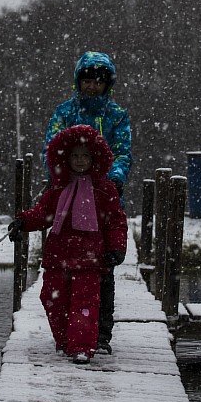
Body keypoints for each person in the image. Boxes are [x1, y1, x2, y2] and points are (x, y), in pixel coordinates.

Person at [8, 125, 127, 364]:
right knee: (52, 298)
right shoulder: (59, 187)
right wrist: (23, 222)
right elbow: (44, 213)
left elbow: (116, 221)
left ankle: (82, 346)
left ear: (94, 158)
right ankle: (64, 340)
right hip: (58, 255)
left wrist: (116, 248)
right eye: (75, 156)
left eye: (85, 156)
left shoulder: (105, 188)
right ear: (66, 158)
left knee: (85, 302)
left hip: (91, 257)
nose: (80, 161)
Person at [42, 51, 132, 354]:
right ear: (79, 81)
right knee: (66, 271)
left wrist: (113, 180)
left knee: (101, 269)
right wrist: (60, 178)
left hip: (103, 198)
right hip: (69, 196)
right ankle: (70, 331)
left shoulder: (117, 115)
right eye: (87, 80)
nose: (92, 85)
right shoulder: (65, 112)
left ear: (107, 84)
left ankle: (101, 334)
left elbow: (123, 151)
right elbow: (51, 147)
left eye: (98, 80)